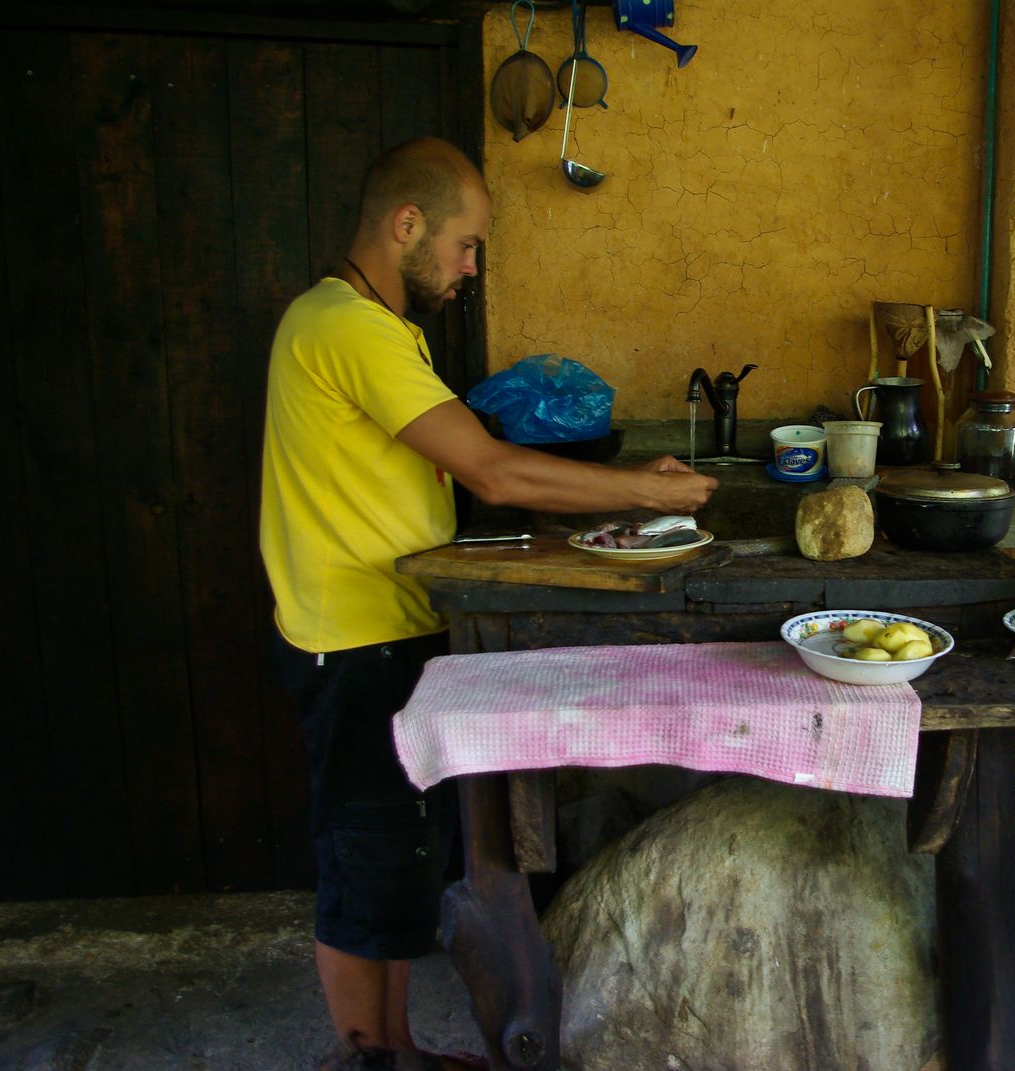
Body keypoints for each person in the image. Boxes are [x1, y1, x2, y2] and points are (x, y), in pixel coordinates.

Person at [259, 136, 718, 1064]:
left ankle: (393, 1051)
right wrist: (645, 492)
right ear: (407, 223)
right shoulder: (342, 326)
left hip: (385, 627)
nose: (471, 266)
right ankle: (365, 1056)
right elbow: (491, 472)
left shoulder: (378, 328)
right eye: (466, 245)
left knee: (392, 867)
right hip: (352, 641)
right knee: (362, 870)